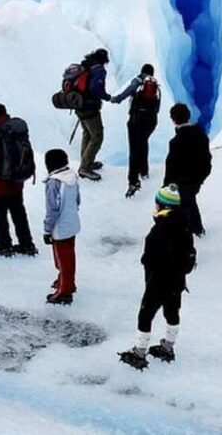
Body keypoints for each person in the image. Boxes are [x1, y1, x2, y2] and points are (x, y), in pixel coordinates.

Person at [119, 185, 196, 370]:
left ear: (161, 205)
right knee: (172, 311)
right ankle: (168, 347)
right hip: (177, 280)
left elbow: (149, 258)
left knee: (145, 315)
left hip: (159, 280)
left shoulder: (160, 229)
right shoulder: (184, 224)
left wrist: (148, 263)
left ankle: (139, 351)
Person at [0, 103, 37, 257]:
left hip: (0, 183)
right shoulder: (19, 132)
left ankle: (4, 245)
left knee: (0, 215)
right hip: (17, 181)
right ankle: (27, 244)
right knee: (19, 212)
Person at [111, 64, 161, 197]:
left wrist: (117, 99)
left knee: (134, 149)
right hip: (151, 120)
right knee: (143, 143)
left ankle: (133, 181)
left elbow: (129, 90)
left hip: (137, 119)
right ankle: (144, 171)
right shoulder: (156, 86)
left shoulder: (139, 80)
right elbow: (157, 108)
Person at [163, 103, 212, 236]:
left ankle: (192, 230)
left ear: (173, 119)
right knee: (190, 201)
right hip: (198, 177)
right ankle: (197, 229)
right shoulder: (201, 135)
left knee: (186, 204)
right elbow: (207, 158)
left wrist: (166, 185)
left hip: (183, 181)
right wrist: (202, 175)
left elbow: (171, 166)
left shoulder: (175, 142)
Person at [43, 149, 80, 305]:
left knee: (62, 259)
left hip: (60, 228)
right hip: (72, 223)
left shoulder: (54, 183)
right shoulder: (72, 178)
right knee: (69, 256)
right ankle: (65, 281)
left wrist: (47, 229)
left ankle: (65, 290)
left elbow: (53, 209)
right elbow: (77, 201)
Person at [76, 48, 112, 181]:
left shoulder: (86, 65)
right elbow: (95, 89)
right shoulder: (99, 70)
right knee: (97, 136)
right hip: (89, 107)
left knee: (87, 134)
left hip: (78, 105)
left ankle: (86, 162)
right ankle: (85, 168)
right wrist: (107, 97)